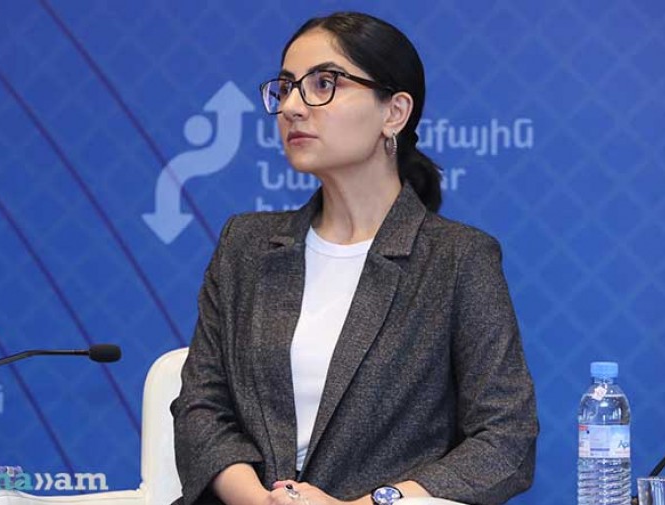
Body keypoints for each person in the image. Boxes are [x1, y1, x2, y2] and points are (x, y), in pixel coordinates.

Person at [171, 11, 538, 505]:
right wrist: (259, 500)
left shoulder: (457, 259)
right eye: (286, 87)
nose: (292, 107)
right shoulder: (246, 245)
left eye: (324, 84)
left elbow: (506, 438)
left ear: (394, 113)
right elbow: (201, 406)